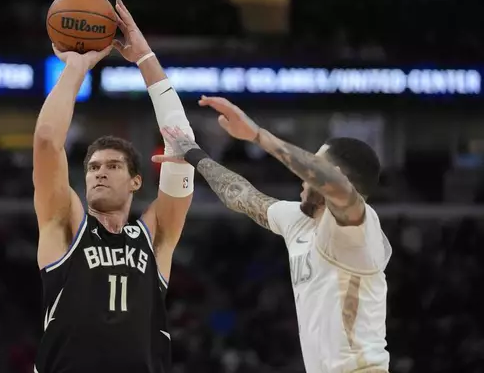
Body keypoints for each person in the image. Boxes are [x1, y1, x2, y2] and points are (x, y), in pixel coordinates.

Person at [153, 97, 392, 373]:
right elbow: (243, 197)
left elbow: (332, 184)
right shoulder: (299, 221)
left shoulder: (361, 229)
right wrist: (194, 155)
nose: (304, 177)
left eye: (313, 166)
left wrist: (257, 135)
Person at [32, 0, 196, 373]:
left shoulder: (156, 235)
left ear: (137, 181)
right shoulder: (66, 223)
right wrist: (76, 67)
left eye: (112, 166)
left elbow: (183, 146)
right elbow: (45, 141)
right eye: (92, 167)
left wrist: (145, 58)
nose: (99, 173)